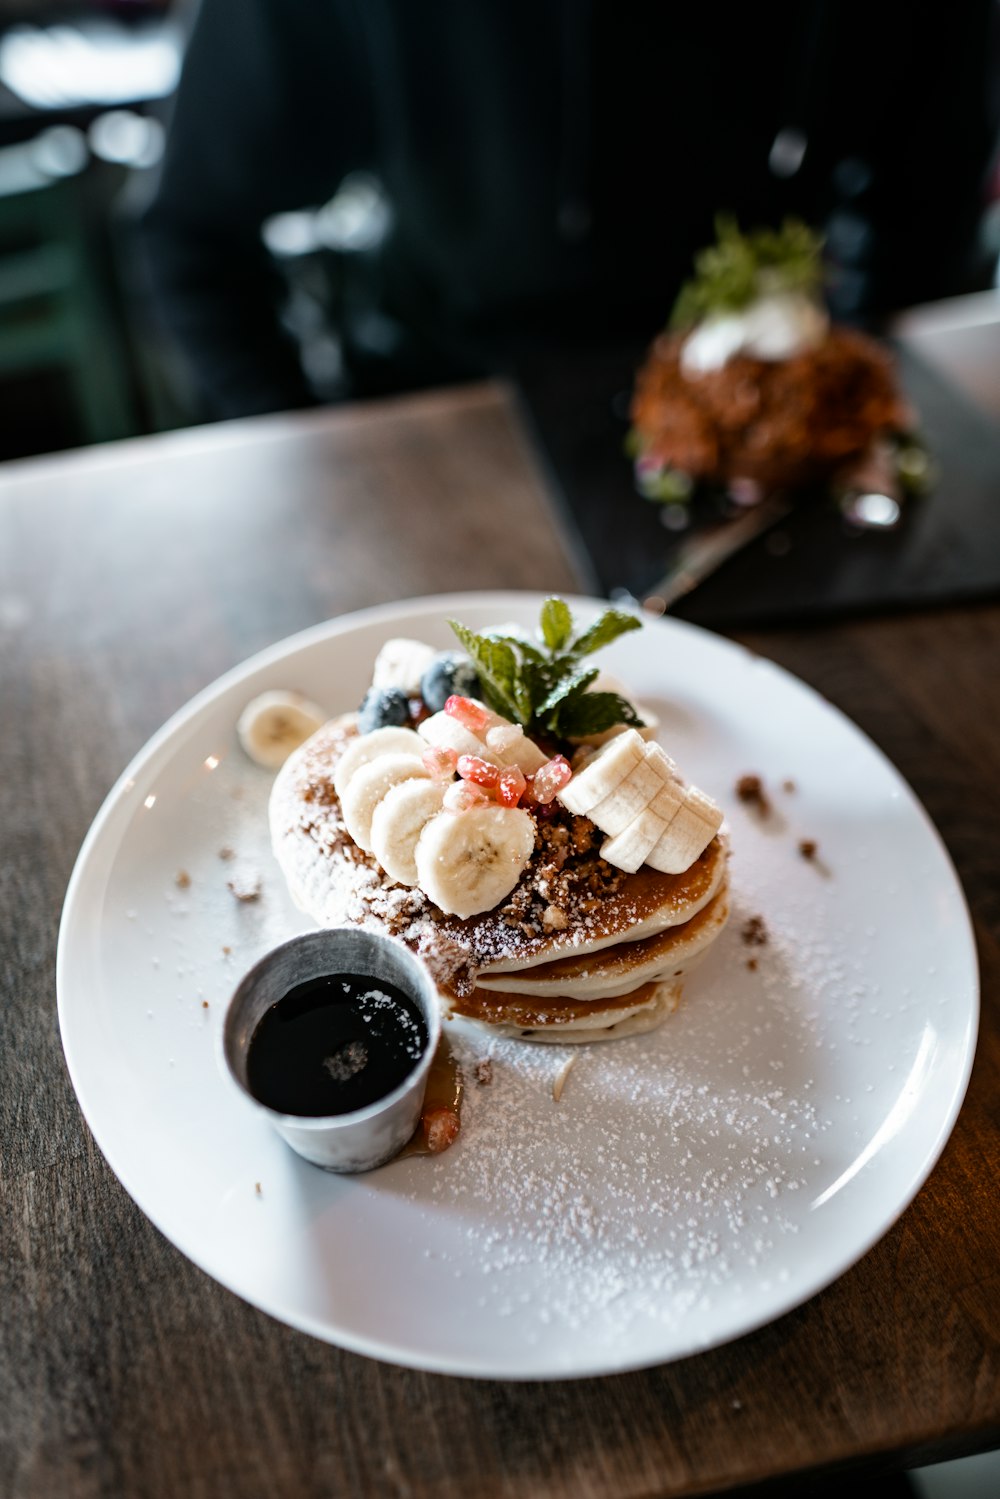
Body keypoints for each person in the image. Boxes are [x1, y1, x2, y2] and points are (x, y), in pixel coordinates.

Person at [139, 0, 998, 421]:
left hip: (762, 407)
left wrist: (843, 375)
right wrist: (318, 446)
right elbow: (191, 231)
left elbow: (933, 186)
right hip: (451, 396)